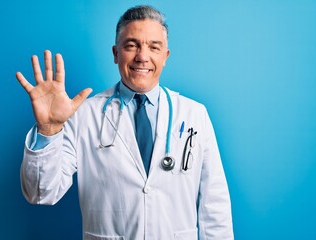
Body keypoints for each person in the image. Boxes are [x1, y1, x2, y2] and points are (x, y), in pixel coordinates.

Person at [16, 5, 234, 240]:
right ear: (115, 53)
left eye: (154, 47)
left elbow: (215, 205)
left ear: (165, 56)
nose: (142, 56)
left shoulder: (195, 114)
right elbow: (41, 193)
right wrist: (49, 129)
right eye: (131, 45)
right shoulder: (83, 115)